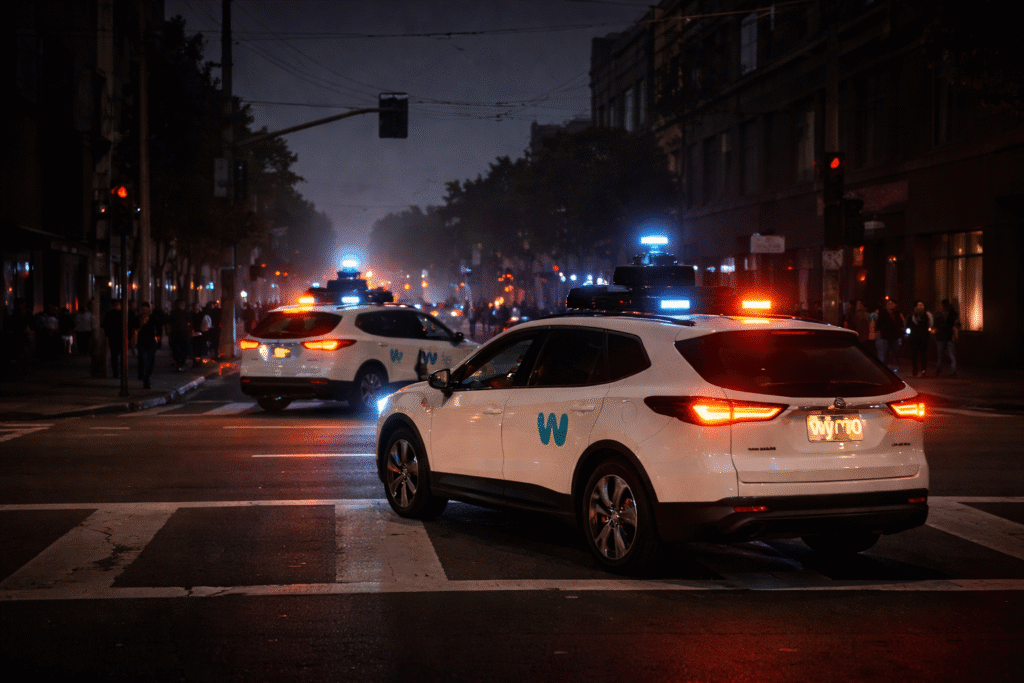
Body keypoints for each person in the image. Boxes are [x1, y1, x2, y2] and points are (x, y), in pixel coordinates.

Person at [133, 302, 160, 389]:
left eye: (146, 309)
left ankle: (146, 378)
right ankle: (142, 374)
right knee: (142, 358)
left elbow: (158, 328)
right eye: (143, 309)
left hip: (151, 341)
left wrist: (158, 340)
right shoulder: (138, 318)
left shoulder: (153, 318)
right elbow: (134, 329)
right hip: (141, 341)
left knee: (150, 360)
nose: (144, 311)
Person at [875, 299, 903, 373]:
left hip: (894, 337)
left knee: (895, 353)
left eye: (892, 304)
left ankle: (893, 368)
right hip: (885, 336)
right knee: (884, 354)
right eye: (888, 304)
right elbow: (878, 324)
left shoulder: (897, 313)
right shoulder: (883, 313)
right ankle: (884, 369)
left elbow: (901, 323)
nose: (890, 305)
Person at [933, 298, 960, 377]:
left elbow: (935, 325)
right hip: (946, 336)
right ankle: (952, 371)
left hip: (943, 336)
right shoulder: (952, 313)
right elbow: (956, 324)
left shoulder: (941, 314)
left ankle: (939, 370)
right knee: (950, 354)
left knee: (941, 355)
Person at [906, 300, 933, 377]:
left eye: (922, 305)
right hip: (914, 338)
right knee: (914, 355)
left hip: (924, 338)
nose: (921, 307)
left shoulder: (927, 315)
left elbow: (930, 325)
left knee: (923, 354)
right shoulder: (911, 316)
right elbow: (907, 326)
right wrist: (908, 334)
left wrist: (929, 333)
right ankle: (915, 369)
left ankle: (923, 370)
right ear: (915, 307)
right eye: (919, 305)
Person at [101, 299, 124, 378]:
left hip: (113, 337)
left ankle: (116, 373)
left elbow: (104, 325)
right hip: (120, 337)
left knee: (114, 356)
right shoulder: (122, 314)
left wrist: (107, 333)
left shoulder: (109, 314)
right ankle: (120, 372)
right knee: (120, 355)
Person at [167, 299, 192, 372]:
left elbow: (169, 323)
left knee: (176, 350)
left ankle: (179, 363)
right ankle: (181, 363)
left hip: (176, 334)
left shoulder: (173, 313)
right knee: (183, 350)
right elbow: (189, 323)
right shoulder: (185, 313)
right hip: (183, 334)